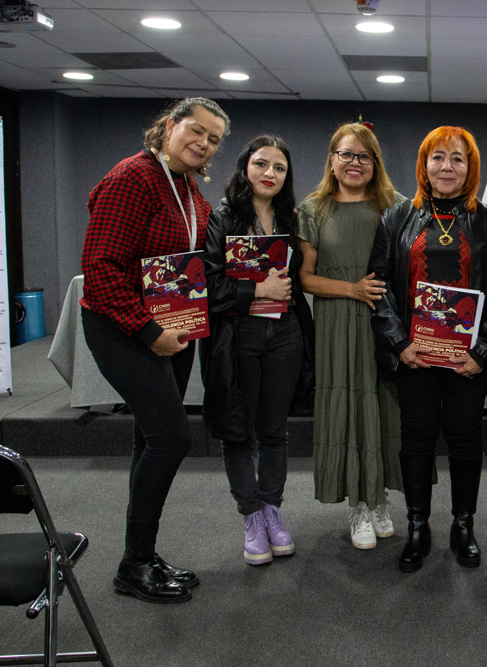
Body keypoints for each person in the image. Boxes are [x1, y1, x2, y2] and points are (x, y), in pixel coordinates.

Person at [81, 97, 230, 603]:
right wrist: (148, 331)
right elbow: (100, 269)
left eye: (213, 139)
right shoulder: (133, 177)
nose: (204, 143)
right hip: (124, 326)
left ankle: (141, 553)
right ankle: (134, 563)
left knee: (149, 440)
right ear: (169, 125)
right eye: (197, 131)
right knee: (171, 438)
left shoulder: (187, 187)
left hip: (174, 323)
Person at [368, 126, 487, 572]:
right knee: (417, 439)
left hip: (468, 360)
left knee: (466, 438)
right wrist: (400, 344)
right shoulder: (395, 217)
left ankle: (463, 524)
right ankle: (417, 525)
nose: (446, 167)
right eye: (437, 158)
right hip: (415, 356)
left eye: (457, 159)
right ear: (423, 165)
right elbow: (380, 287)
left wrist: (482, 352)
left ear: (471, 168)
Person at [201, 135, 314, 566]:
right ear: (246, 167)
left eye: (279, 168)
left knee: (274, 430)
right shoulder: (222, 216)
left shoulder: (291, 218)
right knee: (238, 432)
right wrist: (256, 288)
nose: (270, 173)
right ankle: (250, 516)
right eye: (261, 164)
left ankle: (271, 509)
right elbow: (209, 286)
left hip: (284, 333)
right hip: (239, 337)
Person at [298, 123, 408, 550]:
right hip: (338, 324)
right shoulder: (313, 209)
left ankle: (379, 499)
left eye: (363, 156)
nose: (354, 163)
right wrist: (353, 289)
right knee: (346, 410)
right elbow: (305, 279)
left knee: (383, 407)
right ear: (331, 159)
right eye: (346, 154)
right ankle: (357, 507)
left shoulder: (396, 206)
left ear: (375, 162)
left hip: (383, 324)